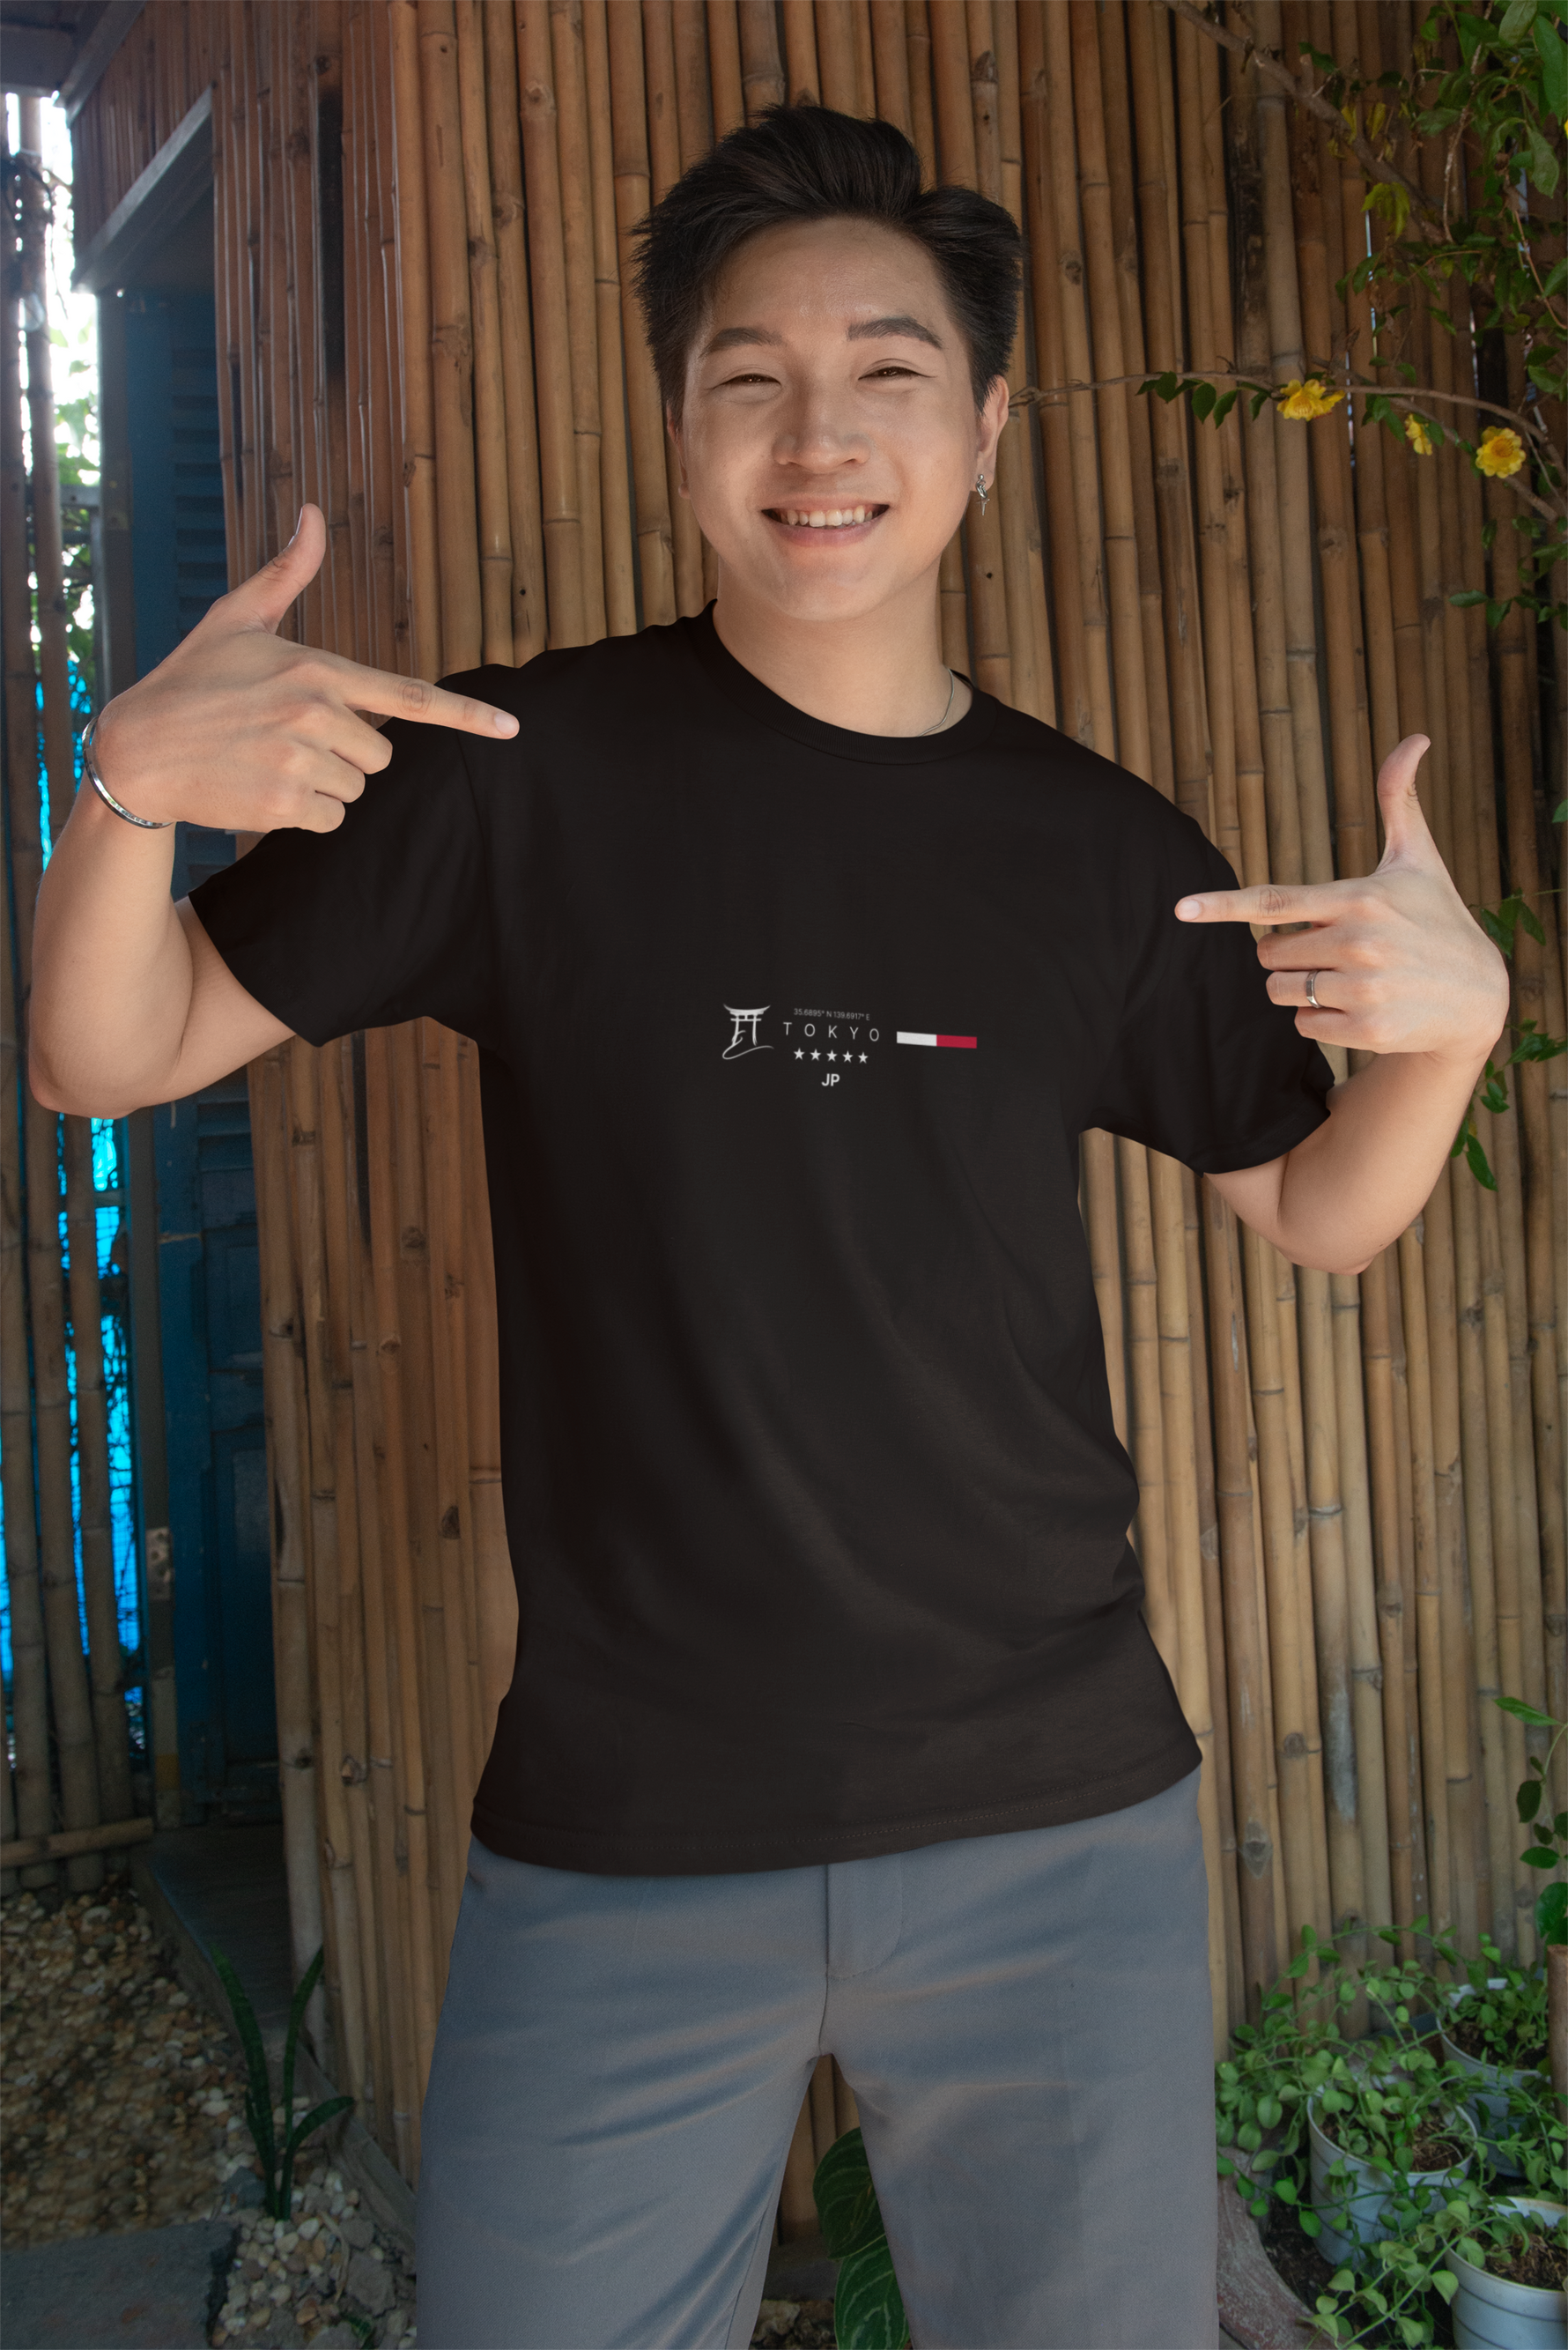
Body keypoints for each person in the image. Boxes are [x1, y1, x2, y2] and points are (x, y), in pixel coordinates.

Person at [31, 103, 1504, 2350]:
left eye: (889, 373)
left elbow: (1315, 1210)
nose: (819, 437)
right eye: (749, 377)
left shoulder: (1096, 850)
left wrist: (1450, 1037)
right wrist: (124, 779)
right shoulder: (512, 774)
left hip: (1052, 1824)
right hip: (624, 1833)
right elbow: (102, 1050)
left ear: (986, 427)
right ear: (677, 421)